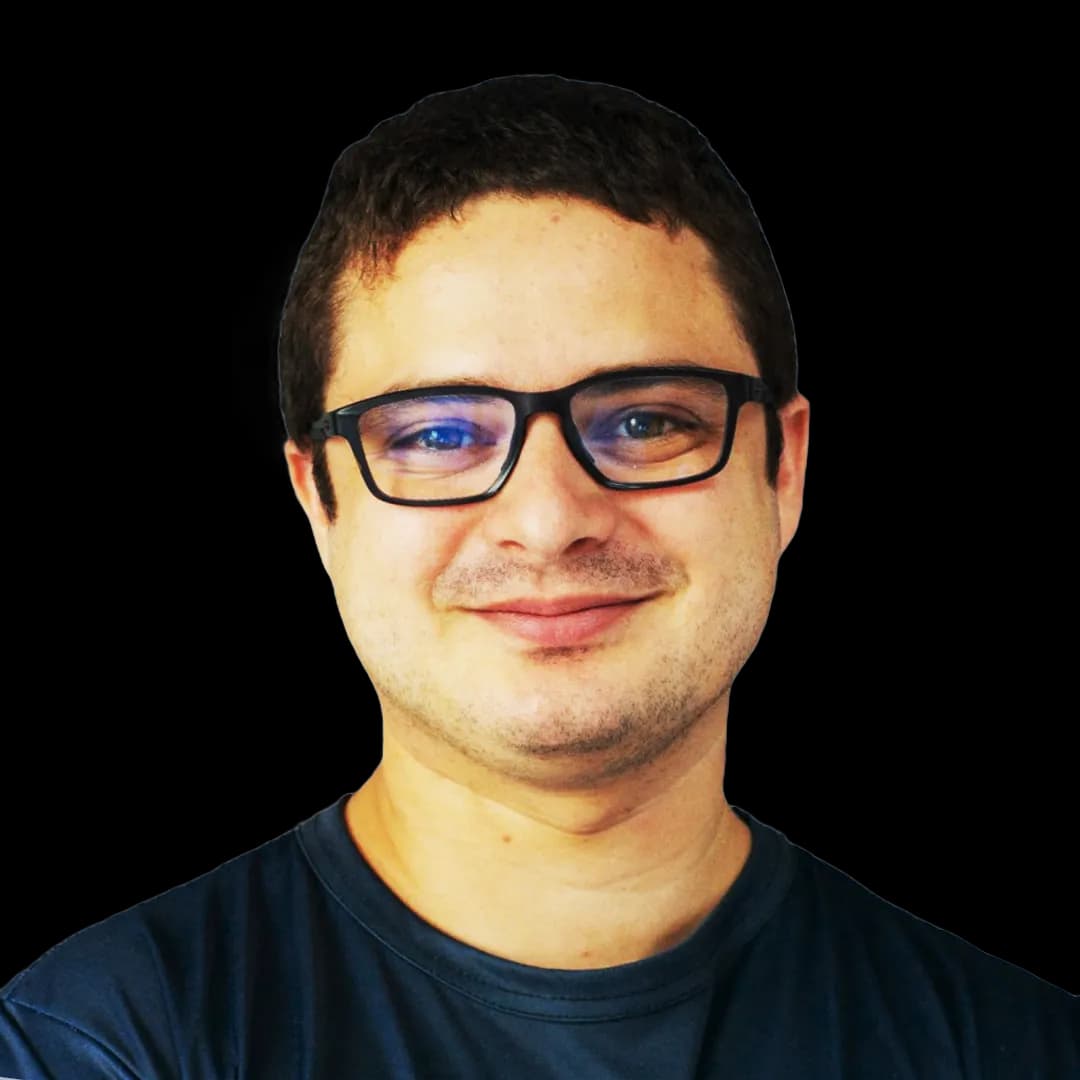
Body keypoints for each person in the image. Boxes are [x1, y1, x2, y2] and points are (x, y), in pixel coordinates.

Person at [2, 73, 1075, 1079]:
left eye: (646, 421)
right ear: (318, 502)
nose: (550, 521)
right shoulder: (100, 1042)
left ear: (784, 471)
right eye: (435, 434)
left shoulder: (1021, 1050)